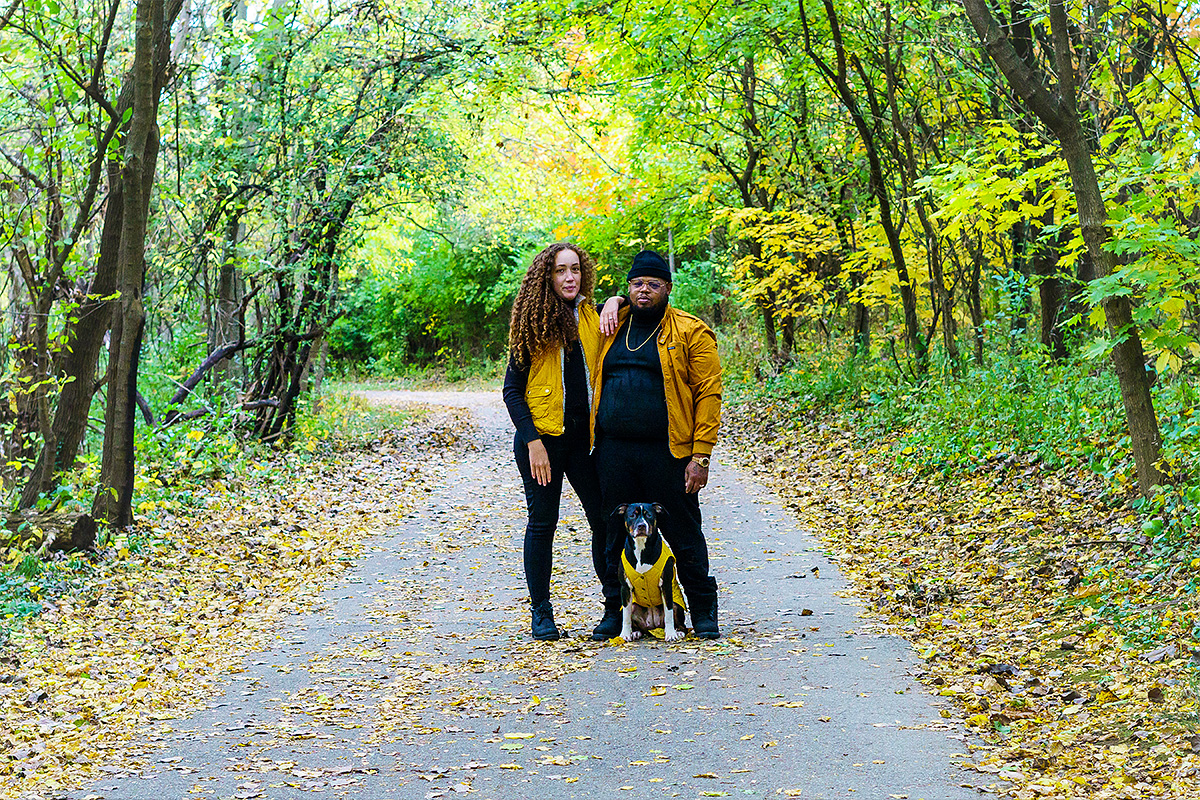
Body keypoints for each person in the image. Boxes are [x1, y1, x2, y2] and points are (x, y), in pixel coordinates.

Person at [590, 249, 723, 640]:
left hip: (668, 451)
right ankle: (616, 611)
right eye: (636, 284)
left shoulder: (690, 331)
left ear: (667, 287)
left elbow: (709, 394)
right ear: (627, 287)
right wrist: (611, 302)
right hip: (614, 450)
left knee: (684, 532)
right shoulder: (611, 322)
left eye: (652, 284)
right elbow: (578, 307)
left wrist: (700, 456)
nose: (643, 290)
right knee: (612, 533)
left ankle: (702, 608)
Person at [503, 242, 621, 640]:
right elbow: (512, 391)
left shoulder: (593, 318)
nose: (569, 277)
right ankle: (542, 612)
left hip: (584, 444)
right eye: (560, 271)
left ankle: (613, 606)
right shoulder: (532, 323)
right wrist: (532, 441)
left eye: (575, 270)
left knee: (603, 520)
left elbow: (635, 305)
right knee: (542, 524)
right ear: (547, 277)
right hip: (543, 444)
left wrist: (615, 298)